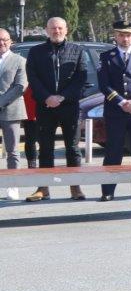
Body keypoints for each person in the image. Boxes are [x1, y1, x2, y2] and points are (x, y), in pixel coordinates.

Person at [26, 17, 88, 202]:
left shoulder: (77, 51)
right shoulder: (36, 52)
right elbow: (33, 78)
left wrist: (62, 97)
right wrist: (47, 97)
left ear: (66, 30)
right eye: (53, 28)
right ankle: (43, 188)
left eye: (60, 28)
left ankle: (75, 187)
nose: (57, 31)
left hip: (69, 106)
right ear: (46, 30)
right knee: (45, 148)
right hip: (45, 106)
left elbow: (81, 78)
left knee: (72, 148)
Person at [97, 21, 131, 201]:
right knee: (113, 151)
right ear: (115, 36)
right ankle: (108, 190)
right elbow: (104, 84)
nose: (125, 38)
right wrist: (122, 103)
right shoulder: (106, 56)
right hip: (116, 111)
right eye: (121, 35)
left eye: (128, 35)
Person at [0, 29, 26, 200]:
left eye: (4, 40)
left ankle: (13, 186)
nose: (2, 43)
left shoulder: (19, 60)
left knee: (12, 151)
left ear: (11, 41)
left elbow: (20, 86)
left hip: (11, 110)